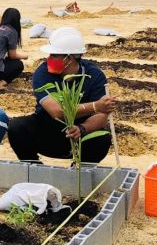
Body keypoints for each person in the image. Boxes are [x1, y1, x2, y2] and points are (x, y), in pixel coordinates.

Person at [8, 27, 117, 164]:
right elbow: (57, 111)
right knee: (17, 127)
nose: (48, 59)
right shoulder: (42, 73)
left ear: (69, 59)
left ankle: (78, 172)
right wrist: (95, 106)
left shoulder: (94, 75)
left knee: (102, 139)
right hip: (47, 131)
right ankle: (34, 168)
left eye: (53, 55)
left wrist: (82, 129)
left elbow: (101, 117)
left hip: (78, 134)